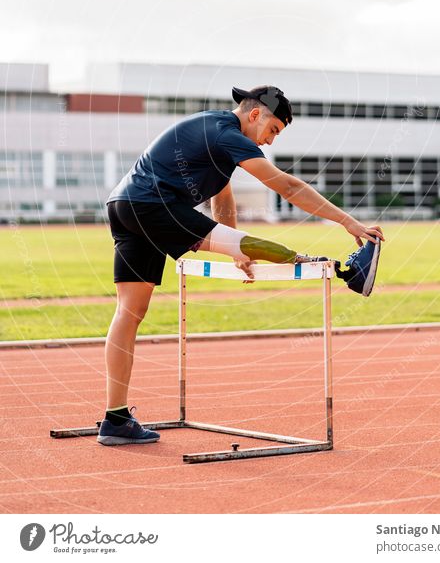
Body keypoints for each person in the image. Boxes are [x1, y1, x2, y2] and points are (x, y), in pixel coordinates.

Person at [97, 85, 384, 446]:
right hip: (154, 206)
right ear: (255, 115)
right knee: (259, 246)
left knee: (129, 311)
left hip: (123, 205)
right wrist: (348, 221)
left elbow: (223, 200)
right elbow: (287, 187)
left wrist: (231, 247)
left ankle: (116, 419)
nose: (269, 141)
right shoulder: (227, 134)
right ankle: (329, 265)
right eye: (273, 130)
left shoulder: (212, 134)